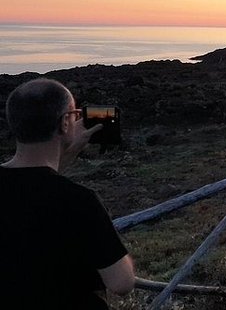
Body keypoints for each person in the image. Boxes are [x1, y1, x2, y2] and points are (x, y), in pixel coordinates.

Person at [0, 78, 134, 309]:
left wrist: (66, 153)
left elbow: (30, 187)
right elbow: (121, 283)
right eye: (75, 114)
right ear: (64, 123)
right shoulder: (79, 201)